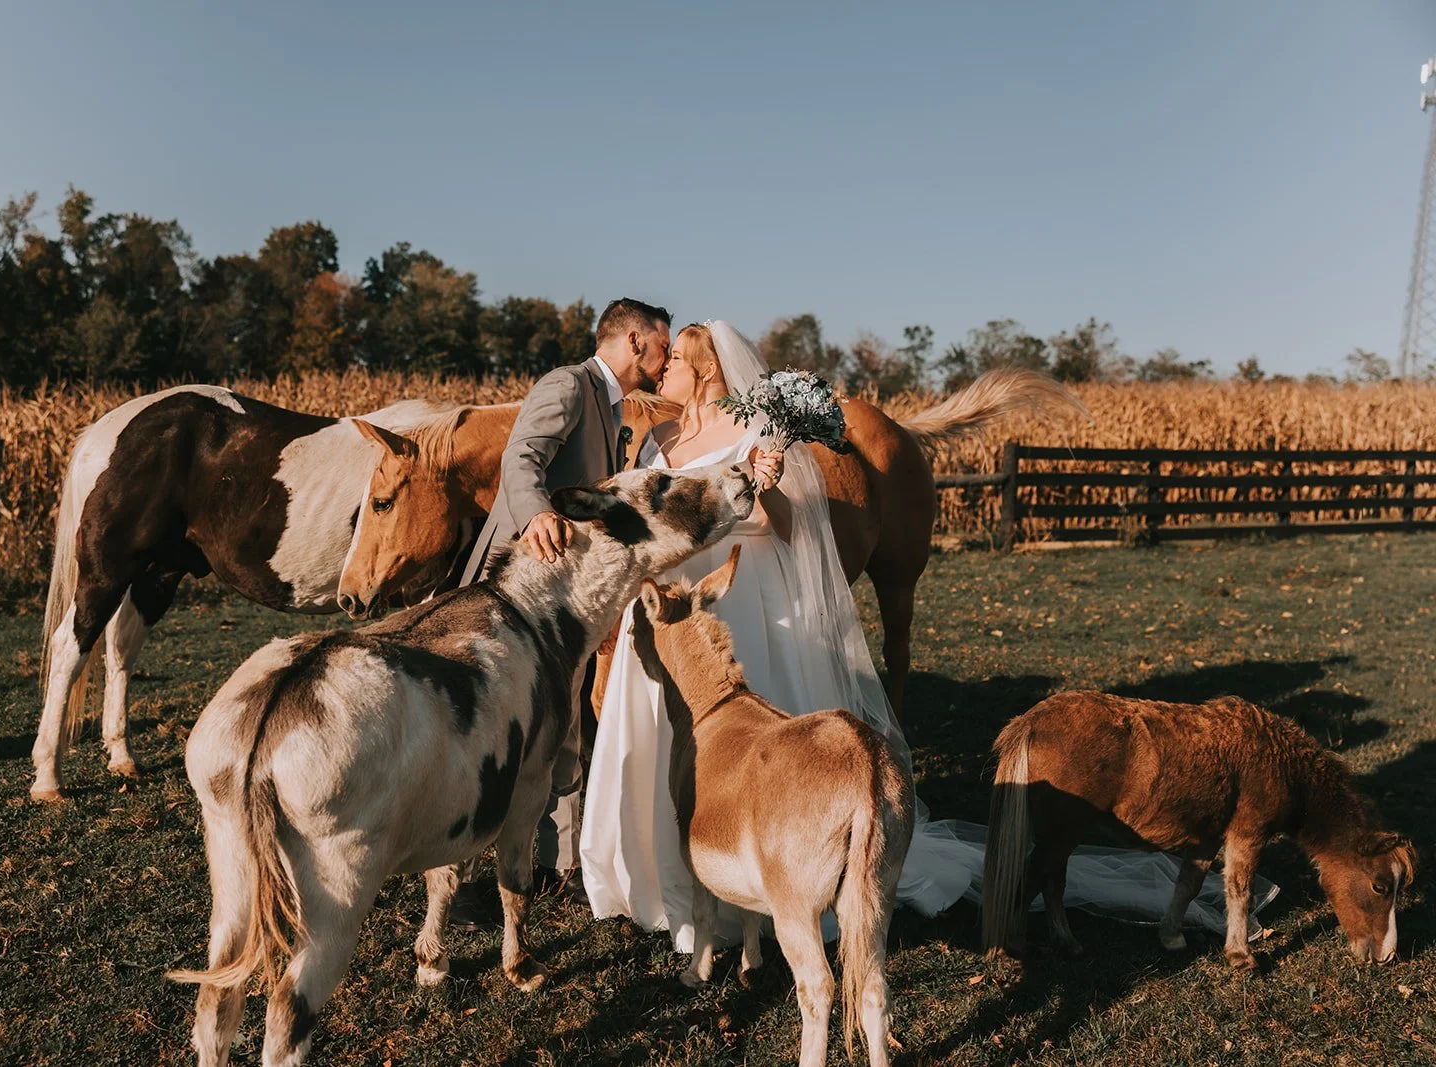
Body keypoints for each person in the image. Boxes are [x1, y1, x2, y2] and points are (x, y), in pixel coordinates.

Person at [580, 321, 1256, 952]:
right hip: (670, 603)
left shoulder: (755, 430)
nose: (659, 368)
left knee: (741, 752)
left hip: (744, 601)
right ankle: (654, 871)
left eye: (672, 360)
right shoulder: (657, 442)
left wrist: (761, 489)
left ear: (702, 370)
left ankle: (751, 890)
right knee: (659, 741)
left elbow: (784, 526)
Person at [446, 297, 673, 932]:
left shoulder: (616, 407)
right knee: (491, 727)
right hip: (512, 587)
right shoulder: (567, 386)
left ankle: (548, 865)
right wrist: (536, 512)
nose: (666, 356)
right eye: (662, 344)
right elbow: (521, 459)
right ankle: (464, 884)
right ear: (633, 341)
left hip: (564, 600)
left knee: (558, 722)